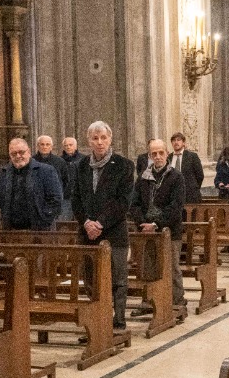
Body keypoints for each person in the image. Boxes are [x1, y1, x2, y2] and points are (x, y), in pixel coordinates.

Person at [72, 121, 134, 330]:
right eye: (95, 138)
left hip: (114, 232)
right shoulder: (81, 166)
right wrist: (87, 222)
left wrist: (100, 223)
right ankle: (98, 317)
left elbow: (123, 201)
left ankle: (118, 320)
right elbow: (76, 199)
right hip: (88, 233)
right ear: (88, 141)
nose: (99, 143)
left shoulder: (123, 165)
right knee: (90, 278)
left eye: (103, 138)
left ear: (110, 139)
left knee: (117, 278)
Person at [129, 139, 186, 310]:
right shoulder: (143, 178)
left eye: (161, 152)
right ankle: (148, 302)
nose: (158, 156)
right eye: (154, 153)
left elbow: (176, 206)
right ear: (150, 156)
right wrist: (143, 223)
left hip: (169, 230)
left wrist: (156, 223)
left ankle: (177, 301)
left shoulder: (176, 177)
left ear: (167, 154)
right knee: (147, 267)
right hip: (147, 231)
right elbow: (135, 204)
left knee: (171, 267)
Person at [0, 138, 63, 232]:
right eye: (13, 154)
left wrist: (44, 219)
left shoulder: (46, 171)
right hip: (10, 230)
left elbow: (56, 199)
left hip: (40, 230)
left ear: (29, 152)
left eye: (21, 152)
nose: (18, 156)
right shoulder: (2, 173)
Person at [34, 135, 74, 221]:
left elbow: (65, 180)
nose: (45, 147)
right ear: (37, 146)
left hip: (55, 201)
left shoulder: (60, 161)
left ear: (51, 147)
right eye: (42, 144)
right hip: (36, 201)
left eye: (47, 144)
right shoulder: (31, 161)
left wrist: (59, 193)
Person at [168, 132, 204, 204]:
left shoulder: (192, 156)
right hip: (173, 196)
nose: (176, 142)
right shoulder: (168, 158)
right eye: (174, 140)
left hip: (190, 195)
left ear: (183, 143)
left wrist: (193, 188)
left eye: (178, 140)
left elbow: (200, 175)